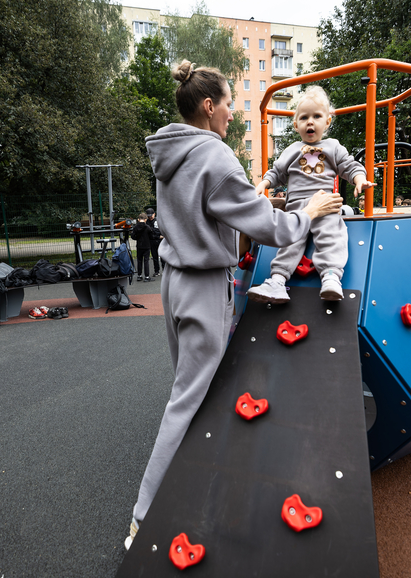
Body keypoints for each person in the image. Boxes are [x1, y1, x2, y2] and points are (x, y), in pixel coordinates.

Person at [125, 60, 343, 550]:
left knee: (188, 390)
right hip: (203, 287)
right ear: (209, 106)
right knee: (187, 401)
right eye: (227, 104)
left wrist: (266, 208)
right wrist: (307, 212)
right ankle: (143, 517)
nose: (231, 114)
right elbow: (275, 230)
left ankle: (190, 477)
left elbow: (213, 212)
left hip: (174, 280)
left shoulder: (171, 153)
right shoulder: (217, 157)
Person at [248, 85, 372, 302]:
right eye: (304, 117)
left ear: (327, 121)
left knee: (332, 235)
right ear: (296, 125)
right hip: (297, 210)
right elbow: (277, 171)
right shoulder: (291, 150)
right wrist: (264, 183)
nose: (310, 122)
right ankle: (277, 280)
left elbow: (349, 165)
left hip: (323, 205)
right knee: (289, 242)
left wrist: (359, 179)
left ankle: (331, 276)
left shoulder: (333, 147)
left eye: (317, 116)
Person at [130, 212, 153, 282]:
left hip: (139, 245)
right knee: (146, 261)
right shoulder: (148, 227)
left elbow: (133, 236)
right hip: (147, 245)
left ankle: (139, 276)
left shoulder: (136, 227)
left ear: (138, 219)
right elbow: (151, 236)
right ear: (145, 219)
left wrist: (137, 238)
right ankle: (147, 276)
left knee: (139, 260)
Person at [146, 208, 162, 276]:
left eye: (151, 215)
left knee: (163, 257)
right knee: (154, 257)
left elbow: (158, 231)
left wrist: (152, 231)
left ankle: (164, 270)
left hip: (159, 241)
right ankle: (157, 271)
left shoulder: (158, 221)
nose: (150, 217)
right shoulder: (147, 222)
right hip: (152, 241)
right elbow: (149, 232)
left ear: (154, 214)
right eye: (149, 216)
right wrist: (156, 235)